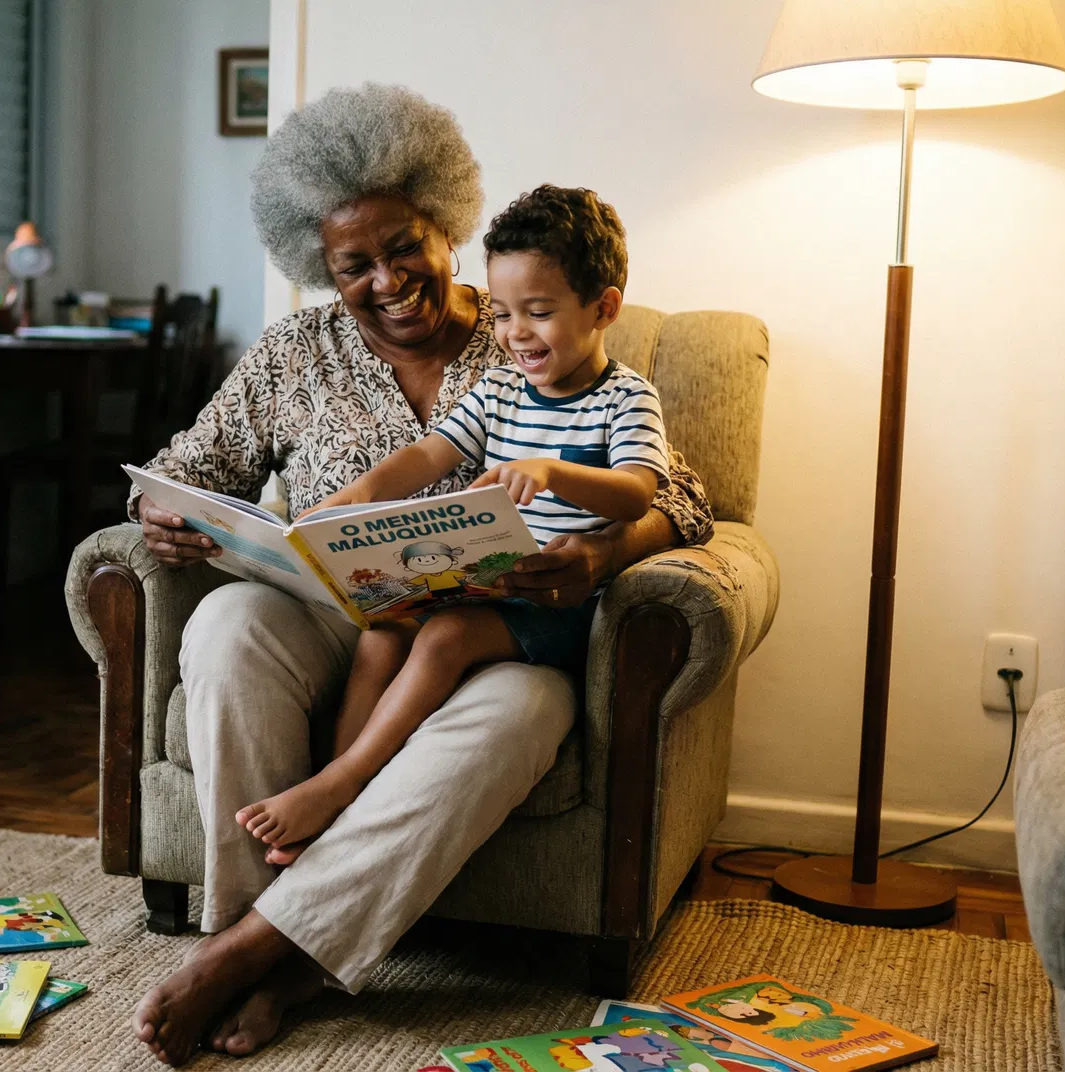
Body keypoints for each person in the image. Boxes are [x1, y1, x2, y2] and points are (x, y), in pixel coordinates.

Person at [127, 83, 714, 1066]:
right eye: (353, 264)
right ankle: (248, 928)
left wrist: (602, 552)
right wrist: (165, 514)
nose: (387, 278)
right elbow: (191, 469)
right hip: (330, 610)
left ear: (447, 230)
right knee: (223, 628)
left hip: (494, 630)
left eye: (406, 247)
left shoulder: (528, 341)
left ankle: (271, 953)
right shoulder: (292, 354)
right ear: (322, 266)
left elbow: (682, 497)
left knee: (523, 713)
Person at [234, 184, 671, 857]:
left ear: (603, 308)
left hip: (561, 604)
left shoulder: (625, 398)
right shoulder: (497, 389)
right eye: (502, 314)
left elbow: (640, 492)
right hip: (491, 583)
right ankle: (334, 800)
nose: (516, 333)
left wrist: (555, 472)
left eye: (540, 312)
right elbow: (427, 455)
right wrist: (349, 501)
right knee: (384, 632)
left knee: (441, 639)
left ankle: (341, 785)